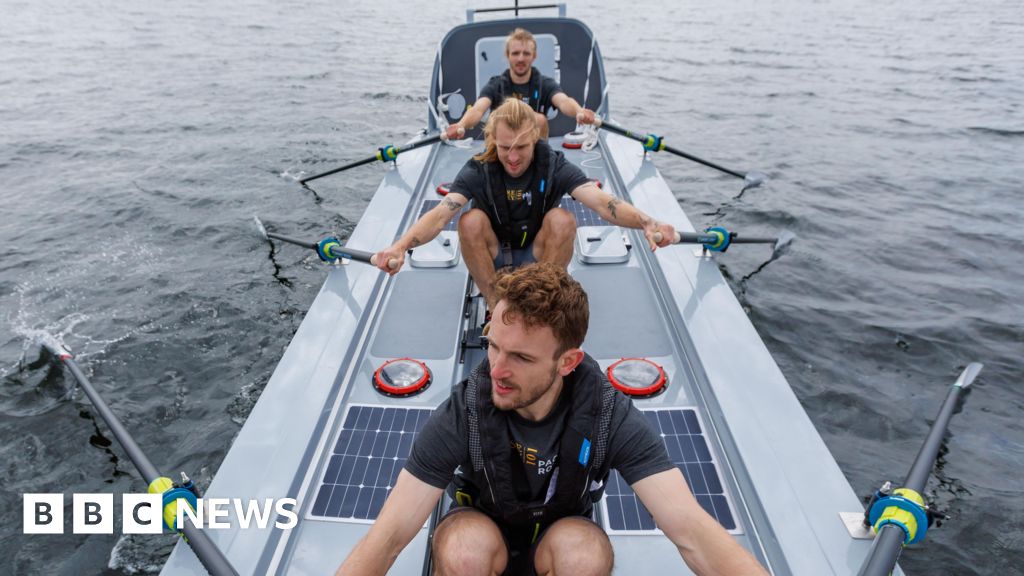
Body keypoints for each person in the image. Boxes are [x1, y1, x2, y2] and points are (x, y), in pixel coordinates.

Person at [335, 263, 768, 576]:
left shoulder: (607, 416)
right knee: (465, 553)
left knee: (583, 559)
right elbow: (388, 536)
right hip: (480, 521)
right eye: (494, 346)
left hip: (562, 530)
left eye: (521, 357)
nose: (497, 370)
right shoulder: (464, 410)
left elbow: (692, 531)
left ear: (568, 361)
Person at [374, 98, 676, 311]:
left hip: (540, 252)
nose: (514, 157)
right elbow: (441, 215)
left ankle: (543, 302)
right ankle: (495, 305)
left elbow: (600, 202)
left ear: (535, 138)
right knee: (469, 221)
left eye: (522, 147)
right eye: (505, 148)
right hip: (494, 253)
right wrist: (400, 246)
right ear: (492, 141)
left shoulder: (553, 164)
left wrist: (645, 221)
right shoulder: (478, 168)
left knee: (563, 220)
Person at [445, 27, 597, 141]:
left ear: (534, 56)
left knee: (539, 120)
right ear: (508, 55)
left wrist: (579, 111)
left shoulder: (545, 84)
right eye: (516, 53)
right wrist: (461, 125)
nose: (520, 59)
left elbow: (564, 101)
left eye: (526, 53)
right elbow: (478, 109)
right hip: (500, 149)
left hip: (533, 149)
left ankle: (542, 166)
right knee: (493, 121)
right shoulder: (496, 85)